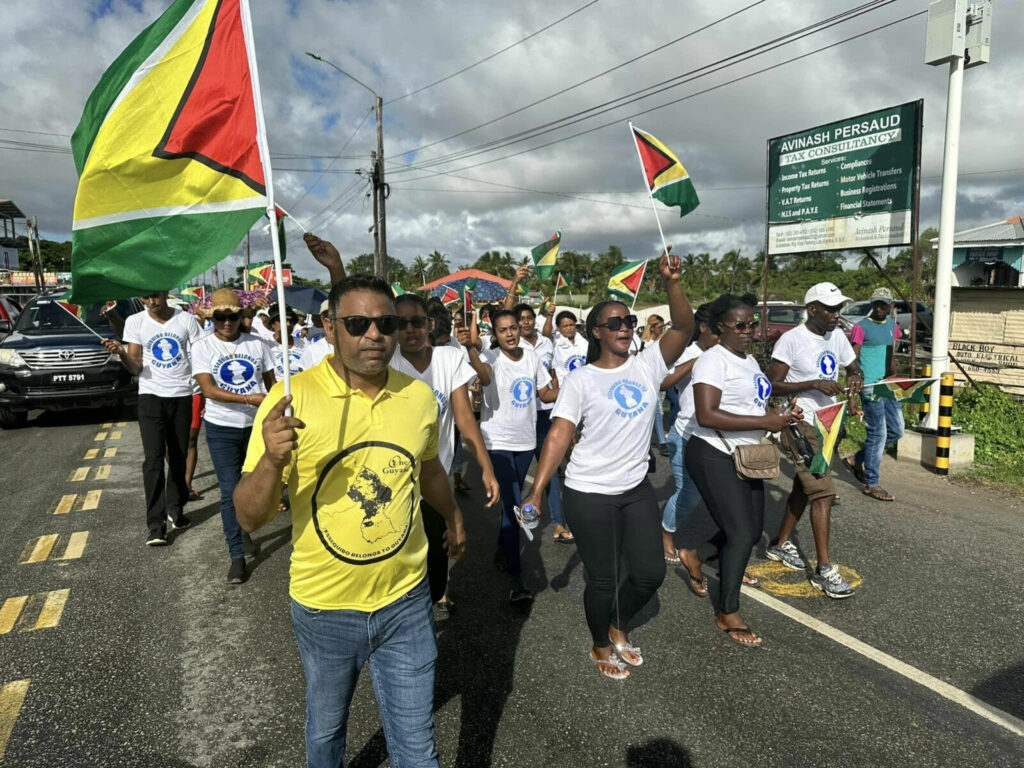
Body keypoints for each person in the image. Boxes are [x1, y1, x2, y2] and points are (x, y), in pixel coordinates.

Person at [233, 275, 466, 768]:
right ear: (330, 327)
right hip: (325, 607)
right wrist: (272, 461)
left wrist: (453, 516)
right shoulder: (290, 401)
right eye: (358, 324)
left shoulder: (419, 397)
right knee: (326, 730)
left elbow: (428, 469)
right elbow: (248, 517)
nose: (374, 335)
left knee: (418, 746)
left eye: (386, 324)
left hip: (407, 600)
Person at [520, 250, 692, 679]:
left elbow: (684, 328)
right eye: (614, 323)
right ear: (596, 332)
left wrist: (672, 283)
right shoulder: (581, 379)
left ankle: (618, 623)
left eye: (628, 321)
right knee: (602, 578)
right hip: (588, 492)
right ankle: (600, 642)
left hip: (634, 490)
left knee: (649, 573)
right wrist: (537, 490)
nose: (624, 327)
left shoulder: (648, 364)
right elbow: (559, 434)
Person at [684, 295, 802, 646]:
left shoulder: (749, 360)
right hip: (713, 453)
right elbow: (707, 414)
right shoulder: (712, 360)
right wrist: (766, 421)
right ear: (720, 327)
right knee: (738, 533)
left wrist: (780, 415)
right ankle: (728, 612)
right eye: (740, 325)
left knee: (750, 533)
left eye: (752, 324)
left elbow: (750, 404)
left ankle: (696, 555)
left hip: (746, 454)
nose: (749, 331)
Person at [390, 292, 499, 610]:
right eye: (401, 323)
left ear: (429, 324)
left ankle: (433, 599)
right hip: (395, 480)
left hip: (437, 479)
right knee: (399, 556)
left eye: (417, 322)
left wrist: (486, 467)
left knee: (436, 558)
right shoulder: (388, 361)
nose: (410, 330)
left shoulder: (449, 359)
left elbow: (464, 417)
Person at [765, 282, 863, 599]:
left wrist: (855, 377)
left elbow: (853, 365)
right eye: (831, 309)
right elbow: (772, 385)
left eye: (839, 309)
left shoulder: (837, 336)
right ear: (812, 309)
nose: (836, 314)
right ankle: (823, 570)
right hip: (800, 423)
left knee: (803, 486)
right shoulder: (791, 340)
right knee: (822, 493)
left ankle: (780, 544)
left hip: (828, 424)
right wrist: (812, 384)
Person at [461, 309, 557, 602]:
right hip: (497, 442)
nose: (510, 334)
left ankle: (503, 551)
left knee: (509, 505)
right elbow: (484, 378)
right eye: (502, 330)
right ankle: (517, 580)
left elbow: (545, 394)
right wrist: (470, 349)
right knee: (515, 505)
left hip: (525, 442)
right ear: (495, 334)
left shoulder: (532, 357)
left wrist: (576, 386)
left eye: (513, 327)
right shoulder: (490, 358)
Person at [102, 291, 203, 546]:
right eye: (146, 298)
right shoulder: (135, 321)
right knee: (153, 459)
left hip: (182, 395)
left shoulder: (186, 320)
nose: (152, 302)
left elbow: (201, 357)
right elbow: (136, 366)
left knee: (179, 456)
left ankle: (176, 510)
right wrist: (122, 353)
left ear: (165, 293)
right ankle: (156, 526)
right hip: (150, 396)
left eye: (155, 297)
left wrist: (203, 391)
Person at [190, 288, 276, 584]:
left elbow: (272, 385)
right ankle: (237, 555)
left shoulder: (258, 344)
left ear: (242, 317)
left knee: (253, 486)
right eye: (220, 317)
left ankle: (245, 529)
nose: (227, 322)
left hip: (256, 428)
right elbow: (209, 390)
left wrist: (275, 409)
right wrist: (249, 399)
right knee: (229, 491)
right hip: (221, 428)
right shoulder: (202, 347)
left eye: (233, 317)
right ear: (212, 318)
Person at [659, 304, 717, 570]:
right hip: (686, 435)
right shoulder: (687, 352)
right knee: (688, 494)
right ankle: (666, 534)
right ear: (703, 328)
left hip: (716, 437)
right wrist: (697, 362)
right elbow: (664, 382)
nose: (721, 336)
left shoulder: (725, 354)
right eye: (717, 330)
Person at [845, 287, 904, 501]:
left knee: (897, 430)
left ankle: (856, 459)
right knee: (878, 433)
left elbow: (890, 353)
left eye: (883, 305)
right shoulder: (861, 327)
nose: (879, 308)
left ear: (891, 306)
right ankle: (872, 483)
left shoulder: (892, 326)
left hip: (886, 385)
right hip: (869, 386)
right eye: (876, 304)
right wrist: (852, 397)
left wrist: (894, 375)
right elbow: (851, 362)